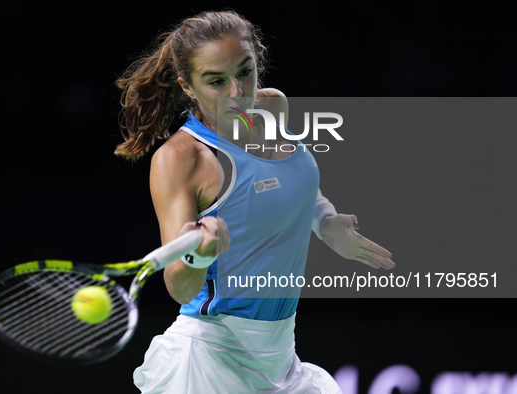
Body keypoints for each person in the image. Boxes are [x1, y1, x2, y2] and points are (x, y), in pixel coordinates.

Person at [114, 10, 395, 393]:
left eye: (245, 72)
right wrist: (201, 253)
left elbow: (297, 185)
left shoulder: (271, 109)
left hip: (281, 357)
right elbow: (178, 285)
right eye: (216, 81)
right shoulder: (183, 158)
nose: (237, 92)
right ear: (188, 85)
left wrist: (325, 222)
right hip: (211, 358)